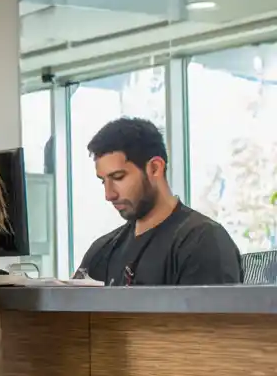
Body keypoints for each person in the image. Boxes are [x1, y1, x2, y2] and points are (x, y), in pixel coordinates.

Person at [77, 117, 241, 286]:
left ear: (155, 168)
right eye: (103, 181)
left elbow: (207, 312)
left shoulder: (203, 242)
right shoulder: (102, 251)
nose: (109, 194)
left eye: (118, 177)